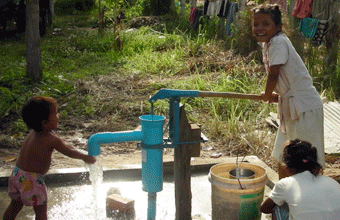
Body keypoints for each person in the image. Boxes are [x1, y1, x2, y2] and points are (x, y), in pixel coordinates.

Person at [252, 4, 324, 179]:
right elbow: (285, 78)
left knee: (307, 158)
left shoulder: (278, 41)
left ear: (278, 26)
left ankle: (308, 198)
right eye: (256, 24)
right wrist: (280, 94)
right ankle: (284, 194)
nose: (259, 28)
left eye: (265, 23)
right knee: (285, 153)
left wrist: (267, 94)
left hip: (305, 107)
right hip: (292, 105)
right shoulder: (268, 44)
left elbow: (274, 74)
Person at [3, 96, 96, 220]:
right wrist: (85, 157)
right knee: (41, 212)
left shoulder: (32, 133)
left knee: (14, 206)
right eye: (55, 114)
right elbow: (69, 152)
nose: (58, 116)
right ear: (45, 123)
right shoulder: (52, 140)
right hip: (32, 180)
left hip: (16, 174)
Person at [260, 139, 340, 220]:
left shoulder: (286, 184)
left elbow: (264, 208)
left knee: (277, 206)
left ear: (287, 166)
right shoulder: (333, 182)